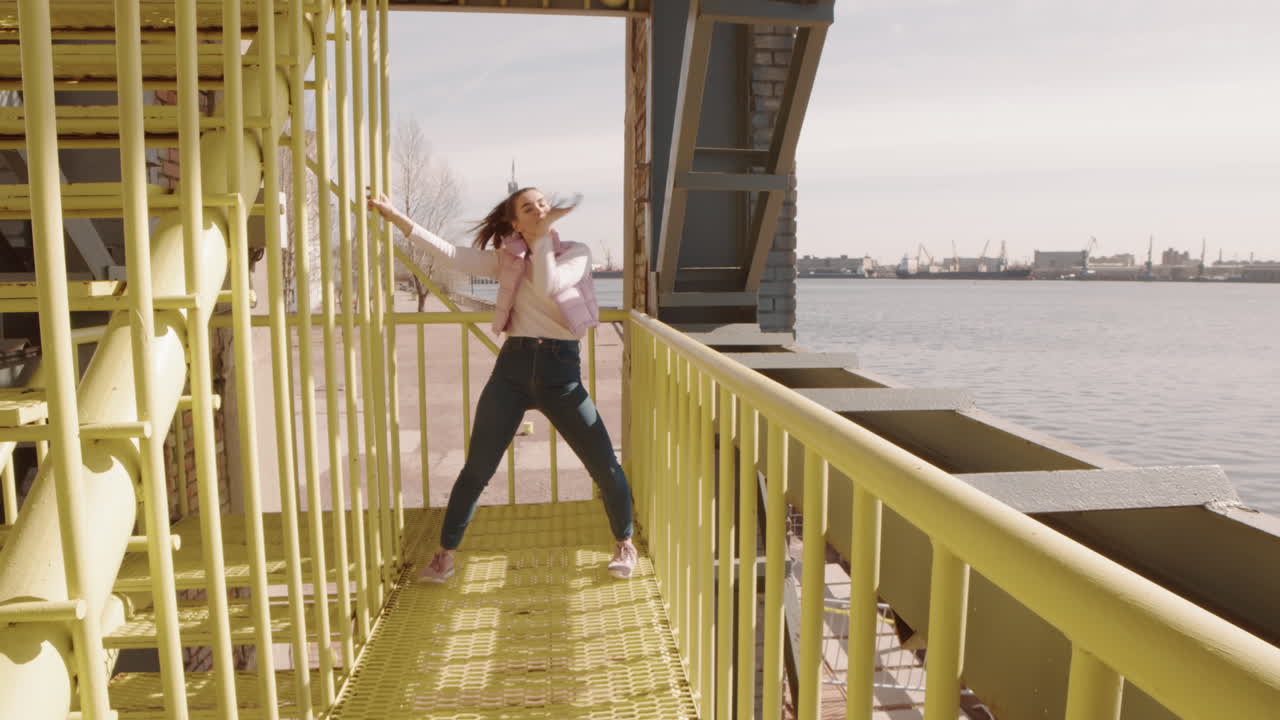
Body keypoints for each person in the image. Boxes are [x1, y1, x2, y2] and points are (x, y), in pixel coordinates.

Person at [367, 187, 638, 582]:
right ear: (515, 222)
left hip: (560, 372)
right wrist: (397, 218)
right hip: (512, 369)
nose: (540, 209)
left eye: (544, 204)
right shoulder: (507, 259)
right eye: (529, 208)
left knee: (602, 462)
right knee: (478, 466)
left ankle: (623, 543)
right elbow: (453, 255)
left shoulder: (576, 253)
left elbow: (549, 285)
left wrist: (542, 238)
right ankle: (445, 554)